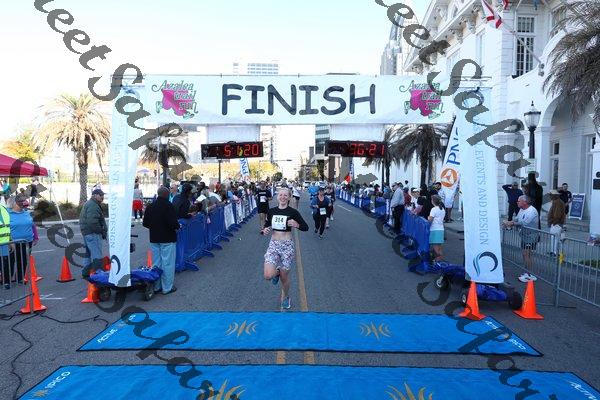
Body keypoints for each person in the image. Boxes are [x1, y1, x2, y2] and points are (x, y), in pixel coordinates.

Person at [261, 187, 308, 309]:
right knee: (267, 275)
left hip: (287, 246)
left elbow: (305, 227)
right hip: (274, 244)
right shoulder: (271, 211)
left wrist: (296, 224)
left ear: (289, 197)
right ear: (277, 196)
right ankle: (276, 272)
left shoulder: (293, 212)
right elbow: (267, 225)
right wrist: (265, 230)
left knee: (284, 277)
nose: (282, 197)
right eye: (280, 195)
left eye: (285, 195)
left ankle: (286, 297)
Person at [143, 186, 180, 295]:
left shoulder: (150, 206)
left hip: (154, 238)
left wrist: (155, 227)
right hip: (167, 238)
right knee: (167, 263)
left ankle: (157, 286)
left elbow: (145, 223)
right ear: (167, 195)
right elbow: (173, 223)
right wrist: (177, 226)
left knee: (156, 263)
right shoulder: (169, 206)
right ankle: (167, 287)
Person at [5, 195, 38, 285]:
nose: (24, 203)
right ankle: (7, 280)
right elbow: (4, 228)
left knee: (23, 261)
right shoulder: (7, 213)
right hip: (12, 242)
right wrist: (9, 241)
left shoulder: (26, 212)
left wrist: (35, 237)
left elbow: (32, 225)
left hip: (27, 242)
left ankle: (20, 278)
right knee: (9, 262)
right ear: (14, 203)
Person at [503, 195, 539, 270]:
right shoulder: (522, 209)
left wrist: (511, 223)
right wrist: (509, 222)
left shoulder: (532, 211)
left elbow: (524, 223)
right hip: (524, 235)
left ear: (525, 202)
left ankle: (529, 274)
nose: (517, 202)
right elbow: (517, 219)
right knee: (524, 254)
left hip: (531, 236)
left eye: (519, 201)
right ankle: (526, 271)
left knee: (527, 254)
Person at [79, 189, 107, 277]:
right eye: (100, 195)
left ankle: (85, 272)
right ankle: (98, 274)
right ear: (94, 195)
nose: (102, 197)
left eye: (103, 195)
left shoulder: (91, 204)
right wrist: (101, 231)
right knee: (97, 254)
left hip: (87, 232)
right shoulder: (93, 205)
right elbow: (92, 222)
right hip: (93, 233)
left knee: (88, 253)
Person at [547, 190, 566, 256]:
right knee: (554, 238)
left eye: (550, 195)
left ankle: (555, 252)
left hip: (556, 224)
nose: (550, 196)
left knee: (556, 239)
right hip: (556, 223)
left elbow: (557, 215)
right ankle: (553, 251)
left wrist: (553, 222)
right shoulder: (557, 201)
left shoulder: (557, 202)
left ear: (554, 196)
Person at [428, 195, 445, 261]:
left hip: (434, 229)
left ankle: (437, 262)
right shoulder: (442, 209)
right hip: (441, 229)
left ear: (433, 201)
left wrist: (428, 218)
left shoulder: (434, 209)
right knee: (439, 248)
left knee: (435, 249)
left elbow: (430, 219)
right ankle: (439, 261)